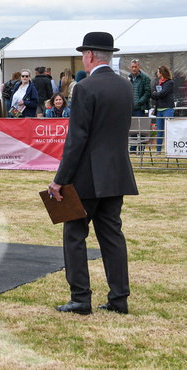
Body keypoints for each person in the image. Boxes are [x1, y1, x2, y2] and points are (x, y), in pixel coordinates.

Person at [48, 32, 138, 316]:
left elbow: (76, 140)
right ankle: (119, 298)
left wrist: (60, 179)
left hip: (87, 175)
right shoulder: (126, 86)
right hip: (117, 172)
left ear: (89, 55)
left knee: (74, 234)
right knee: (112, 235)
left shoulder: (85, 87)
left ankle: (80, 298)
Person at [128, 59, 151, 153]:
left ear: (139, 67)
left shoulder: (145, 78)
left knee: (141, 130)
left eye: (135, 67)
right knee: (132, 129)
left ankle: (141, 150)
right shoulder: (128, 78)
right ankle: (133, 149)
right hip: (131, 107)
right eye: (132, 67)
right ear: (130, 68)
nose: (134, 69)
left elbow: (147, 92)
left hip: (140, 108)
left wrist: (140, 101)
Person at [151, 65, 174, 155]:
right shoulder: (158, 82)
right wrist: (156, 94)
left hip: (167, 108)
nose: (157, 74)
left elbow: (163, 93)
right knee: (159, 130)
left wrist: (155, 94)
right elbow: (156, 94)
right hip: (159, 109)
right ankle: (158, 150)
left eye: (158, 72)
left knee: (169, 130)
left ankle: (170, 150)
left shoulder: (170, 82)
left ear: (162, 72)